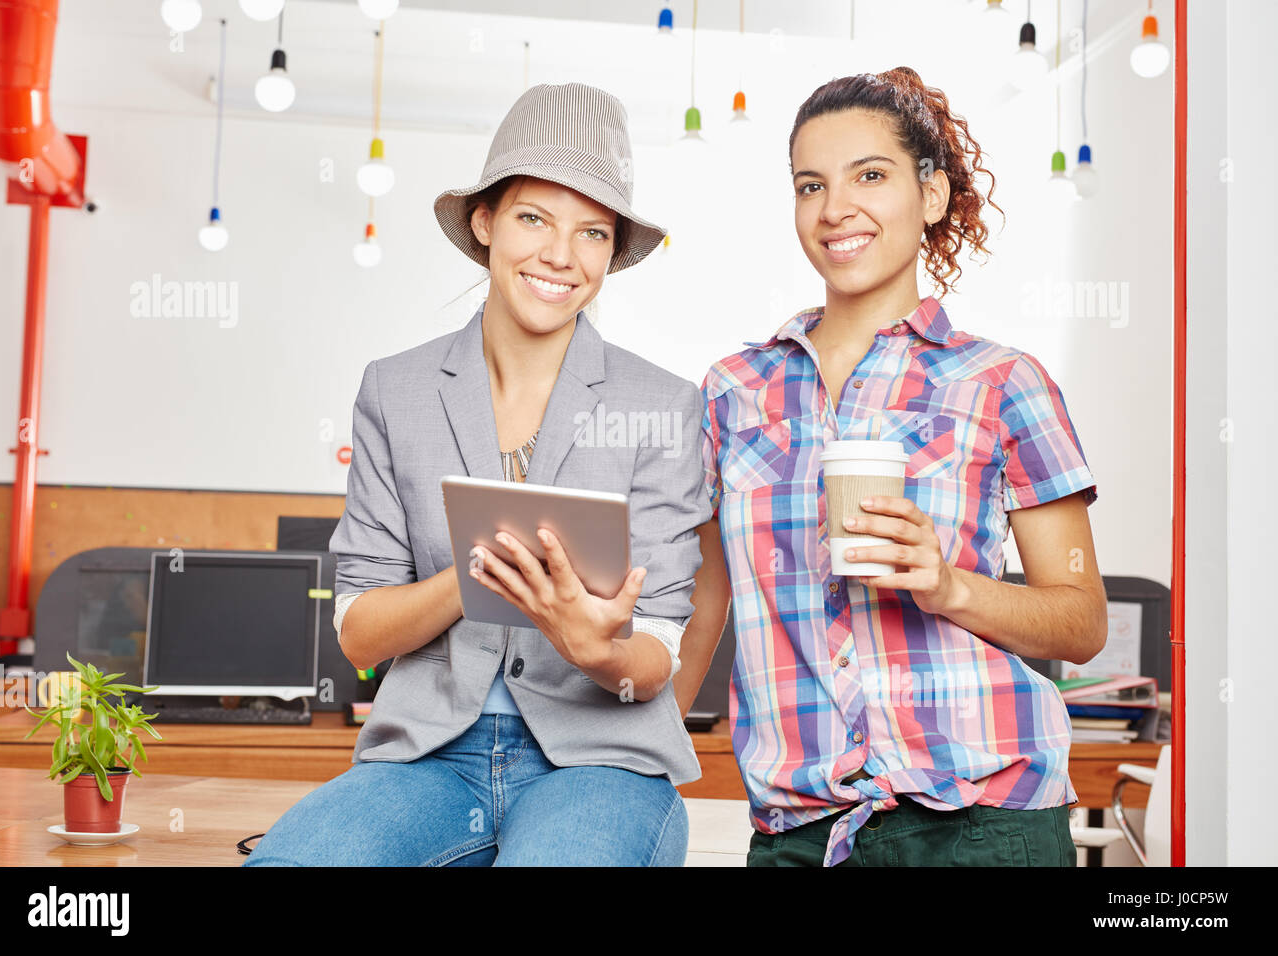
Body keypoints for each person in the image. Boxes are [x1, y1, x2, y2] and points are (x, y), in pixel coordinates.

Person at [245, 82, 710, 867]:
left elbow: (658, 649)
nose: (561, 256)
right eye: (534, 218)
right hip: (428, 757)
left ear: (608, 253)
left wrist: (596, 649)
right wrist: (475, 577)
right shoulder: (394, 390)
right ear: (486, 222)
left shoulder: (664, 405)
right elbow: (359, 627)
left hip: (599, 764)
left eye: (592, 232)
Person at [674, 67, 1106, 867]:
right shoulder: (732, 391)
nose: (836, 208)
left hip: (982, 823)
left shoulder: (1002, 383)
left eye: (870, 175)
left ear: (931, 195)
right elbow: (702, 611)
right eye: (811, 185)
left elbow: (1081, 622)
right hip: (801, 831)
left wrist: (949, 587)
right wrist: (627, 764)